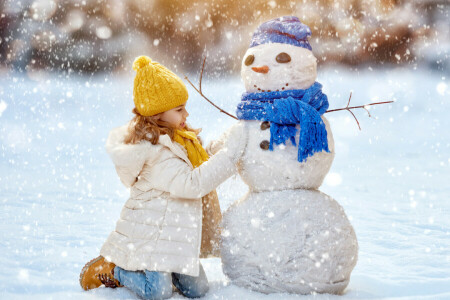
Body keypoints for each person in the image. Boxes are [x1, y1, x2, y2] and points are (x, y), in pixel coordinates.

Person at [79, 55, 244, 299]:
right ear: (157, 115)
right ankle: (115, 270)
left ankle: (169, 271)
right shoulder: (155, 152)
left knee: (197, 289)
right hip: (152, 238)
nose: (186, 114)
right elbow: (192, 183)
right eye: (179, 109)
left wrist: (226, 142)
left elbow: (200, 164)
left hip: (176, 235)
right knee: (157, 292)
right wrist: (229, 160)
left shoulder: (181, 139)